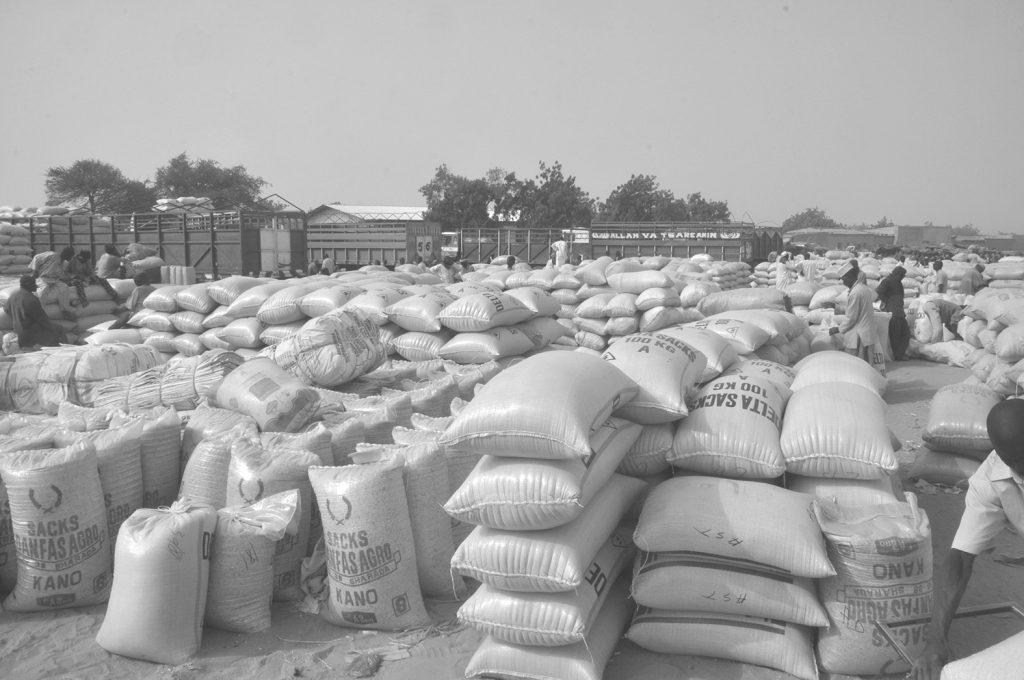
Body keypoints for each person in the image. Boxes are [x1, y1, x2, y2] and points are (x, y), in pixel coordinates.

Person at [910, 400, 1024, 679]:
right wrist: (935, 638)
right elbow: (960, 559)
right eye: (1019, 463)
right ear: (1002, 456)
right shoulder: (992, 480)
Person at [834, 262, 885, 374]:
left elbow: (851, 318)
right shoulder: (864, 288)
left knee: (858, 369)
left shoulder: (855, 293)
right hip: (867, 332)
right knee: (868, 366)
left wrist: (838, 329)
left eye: (844, 278)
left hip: (859, 335)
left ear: (850, 276)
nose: (843, 282)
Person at [4, 275, 65, 348]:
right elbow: (43, 320)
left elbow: (6, 310)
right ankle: (63, 350)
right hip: (31, 333)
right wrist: (53, 329)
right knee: (58, 329)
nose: (35, 287)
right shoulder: (31, 299)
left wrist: (17, 315)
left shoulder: (13, 296)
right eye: (33, 284)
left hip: (18, 331)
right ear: (28, 285)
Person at [874, 265, 910, 360]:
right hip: (892, 312)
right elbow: (877, 292)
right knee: (896, 334)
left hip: (900, 312)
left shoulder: (898, 283)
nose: (903, 277)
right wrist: (885, 300)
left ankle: (899, 354)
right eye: (902, 275)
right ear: (897, 274)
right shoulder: (887, 281)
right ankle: (898, 356)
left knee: (906, 333)